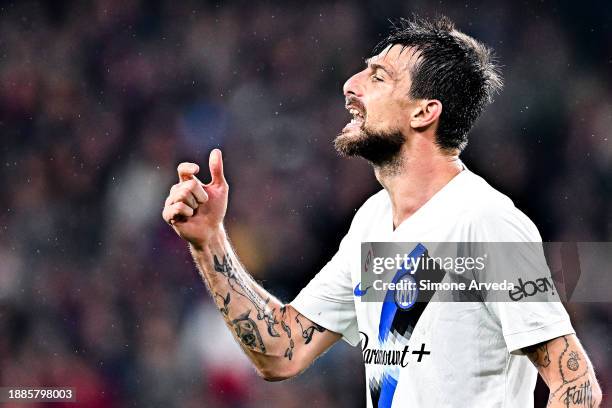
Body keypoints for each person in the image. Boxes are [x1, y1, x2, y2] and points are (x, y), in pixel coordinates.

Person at [162, 16, 602, 408]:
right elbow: (282, 350)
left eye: (378, 77)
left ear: (424, 112)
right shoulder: (372, 222)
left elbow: (575, 384)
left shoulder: (485, 221)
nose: (350, 86)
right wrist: (209, 240)